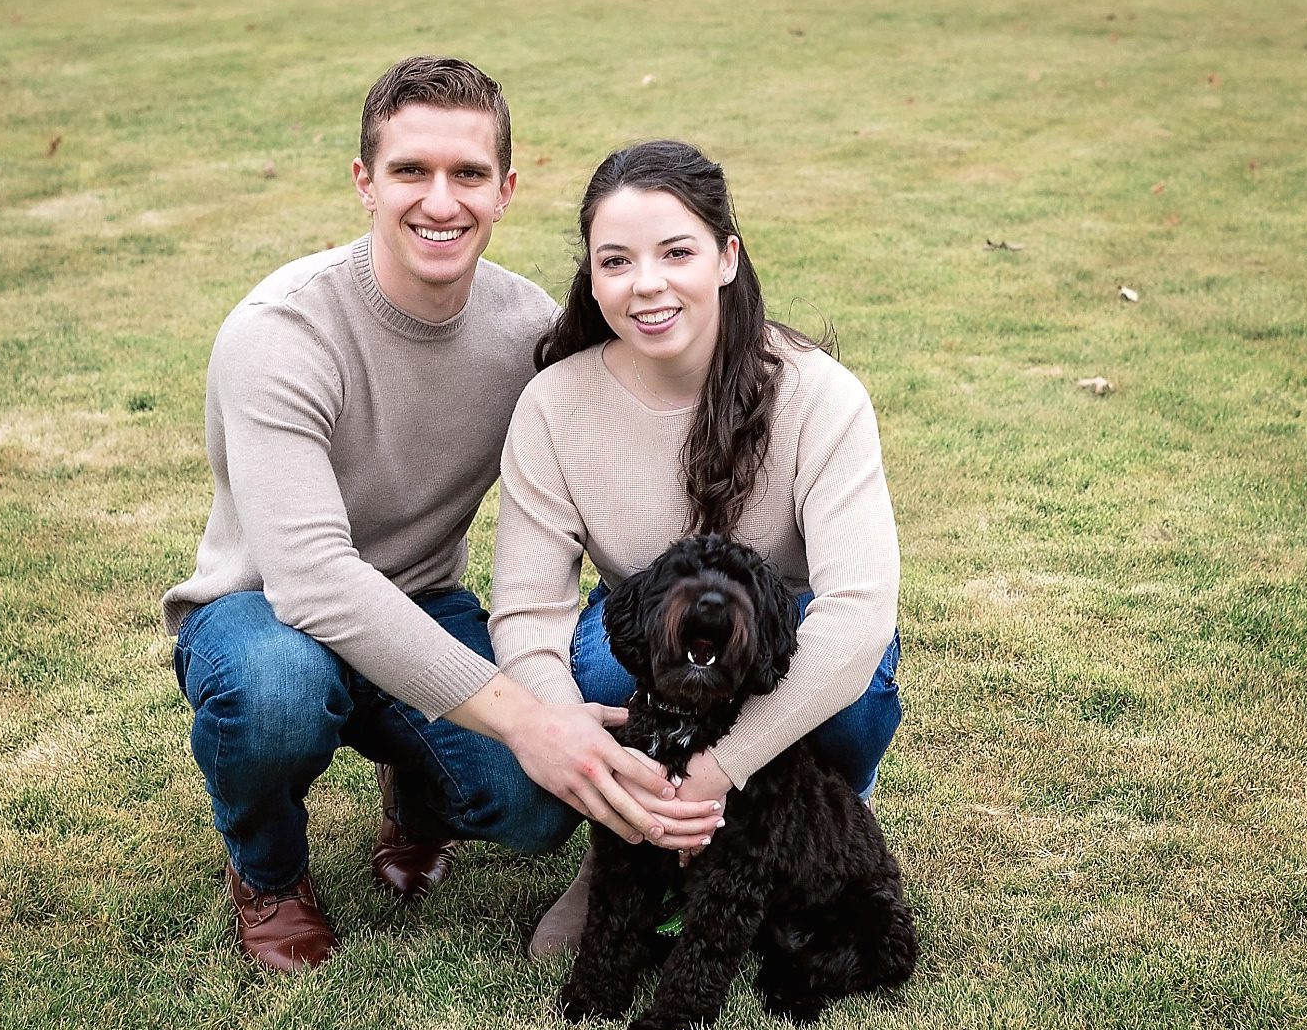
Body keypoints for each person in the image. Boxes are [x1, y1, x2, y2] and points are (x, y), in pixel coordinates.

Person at [161, 61, 722, 973]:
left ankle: (414, 793)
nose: (440, 200)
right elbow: (314, 581)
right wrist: (529, 718)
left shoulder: (528, 330)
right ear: (363, 183)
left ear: (505, 191)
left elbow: (640, 400)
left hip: (421, 602)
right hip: (260, 612)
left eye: (467, 175)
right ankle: (267, 874)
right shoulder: (280, 332)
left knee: (538, 803)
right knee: (277, 694)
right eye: (410, 171)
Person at [488, 139, 904, 956]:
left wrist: (725, 767)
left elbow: (857, 616)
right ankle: (630, 845)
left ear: (725, 257)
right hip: (660, 661)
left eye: (676, 252)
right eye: (616, 261)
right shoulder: (553, 407)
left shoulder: (820, 396)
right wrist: (585, 751)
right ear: (592, 276)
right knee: (611, 665)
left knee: (850, 688)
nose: (647, 284)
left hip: (785, 644)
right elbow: (528, 612)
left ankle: (817, 824)